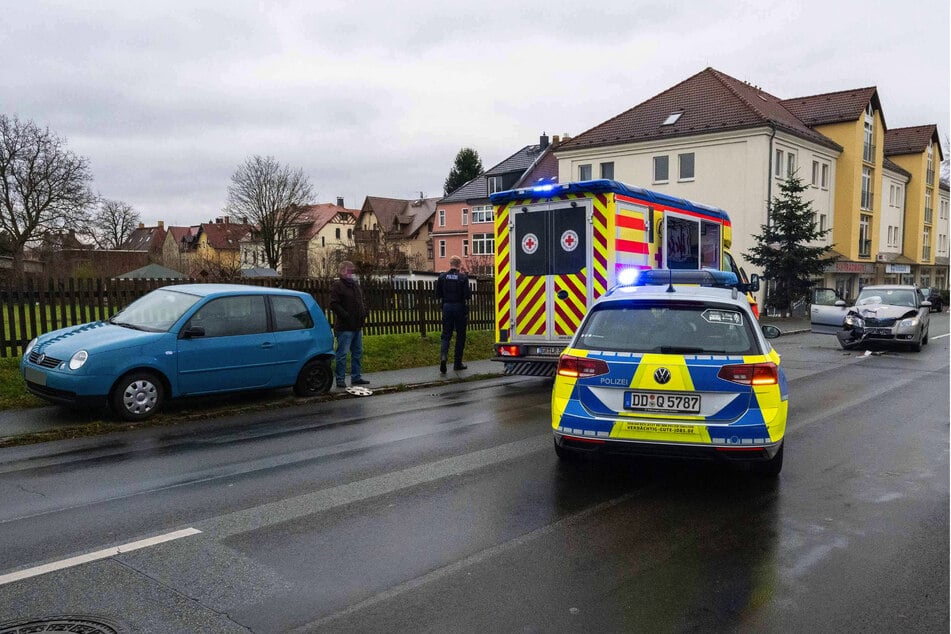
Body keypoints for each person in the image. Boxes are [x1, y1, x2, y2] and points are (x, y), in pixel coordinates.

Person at [330, 260, 369, 388]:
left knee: (357, 353)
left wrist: (364, 312)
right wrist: (345, 316)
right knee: (342, 354)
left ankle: (356, 377)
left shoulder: (355, 285)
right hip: (345, 327)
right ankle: (340, 378)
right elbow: (334, 304)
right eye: (349, 270)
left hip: (357, 326)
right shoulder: (338, 286)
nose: (351, 273)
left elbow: (361, 301)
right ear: (342, 271)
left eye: (352, 270)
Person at [435, 255, 472, 373]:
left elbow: (438, 294)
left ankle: (443, 357)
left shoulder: (442, 277)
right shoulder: (462, 278)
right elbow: (467, 296)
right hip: (459, 307)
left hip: (446, 307)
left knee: (446, 335)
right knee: (460, 335)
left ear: (450, 264)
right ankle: (457, 363)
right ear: (459, 265)